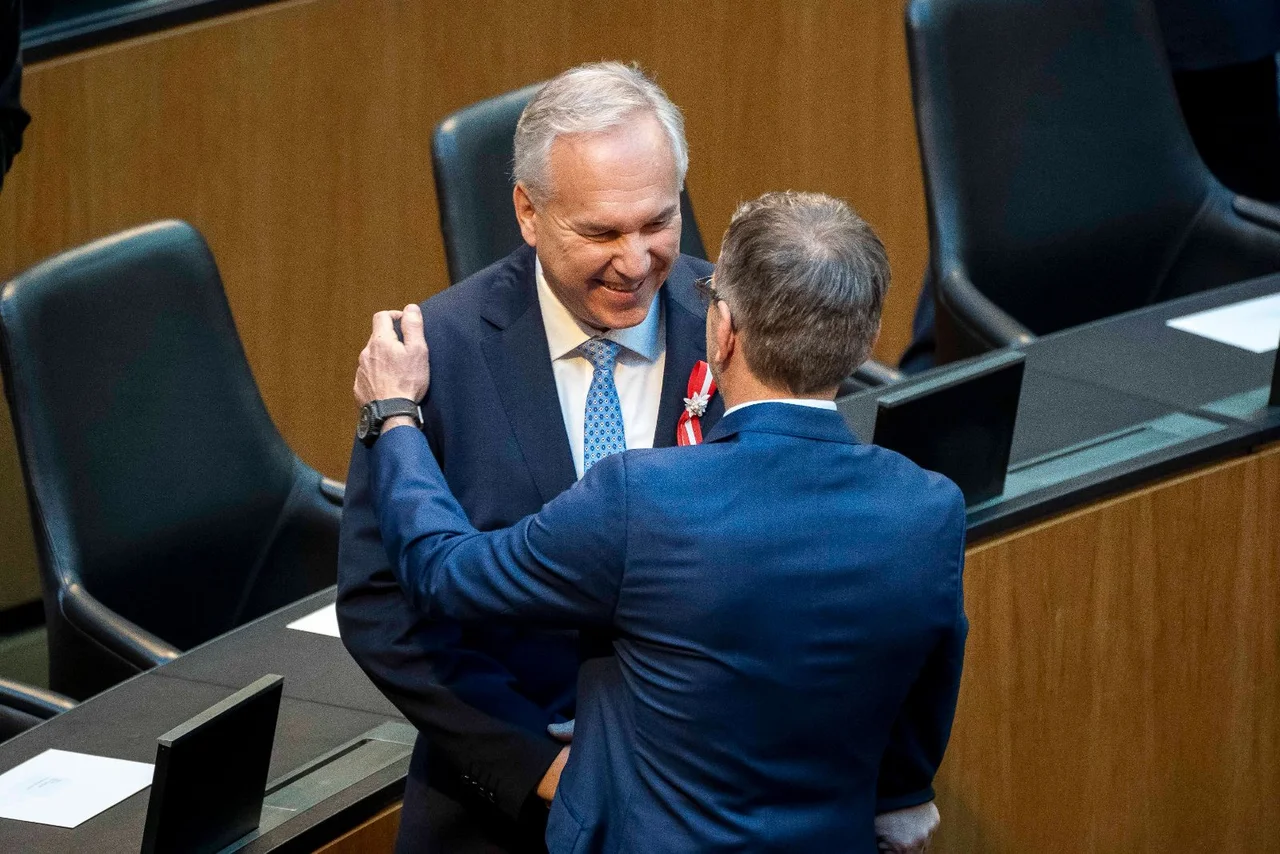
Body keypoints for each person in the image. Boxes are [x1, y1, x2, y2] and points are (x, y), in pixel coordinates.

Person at [354, 191, 967, 853]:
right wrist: (904, 789)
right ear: (866, 338)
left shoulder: (639, 498)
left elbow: (443, 572)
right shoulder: (929, 509)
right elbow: (928, 674)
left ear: (723, 328)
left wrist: (395, 416)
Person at [336, 62, 721, 853]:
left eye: (658, 222)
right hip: (501, 816)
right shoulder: (432, 354)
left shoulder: (736, 328)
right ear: (528, 212)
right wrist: (537, 768)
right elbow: (380, 603)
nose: (638, 259)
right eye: (602, 233)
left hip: (706, 801)